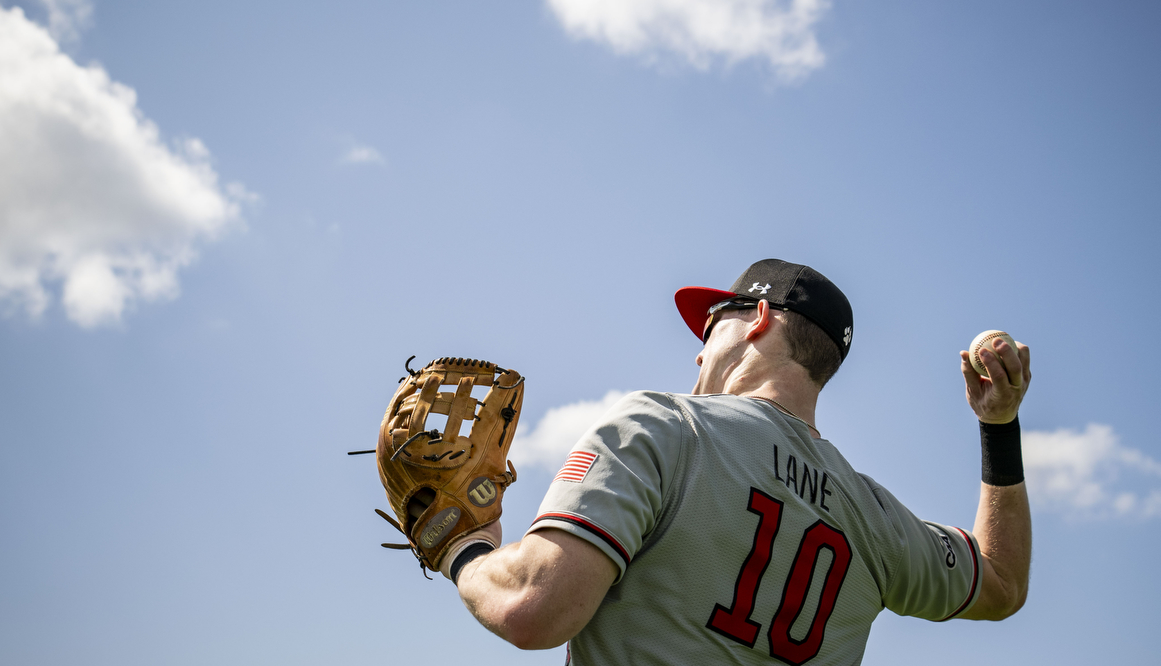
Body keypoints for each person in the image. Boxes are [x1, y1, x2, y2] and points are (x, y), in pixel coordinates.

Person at [442, 259, 1031, 665]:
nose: (699, 348)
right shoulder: (878, 520)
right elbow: (1001, 583)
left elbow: (533, 609)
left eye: (711, 322)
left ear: (760, 320)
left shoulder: (664, 426)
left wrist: (463, 550)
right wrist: (998, 423)